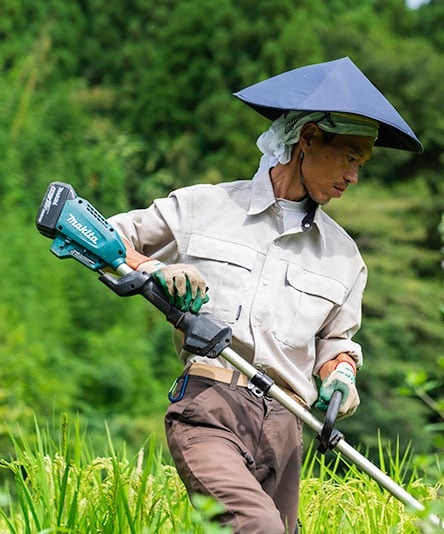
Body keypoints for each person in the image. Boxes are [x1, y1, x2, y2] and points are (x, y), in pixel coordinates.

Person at [108, 57, 423, 533]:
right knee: (259, 528)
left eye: (362, 163)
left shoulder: (345, 257)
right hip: (210, 405)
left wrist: (341, 374)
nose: (355, 176)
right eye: (351, 157)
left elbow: (336, 343)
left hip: (286, 426)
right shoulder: (203, 207)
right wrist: (155, 268)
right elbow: (105, 235)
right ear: (309, 139)